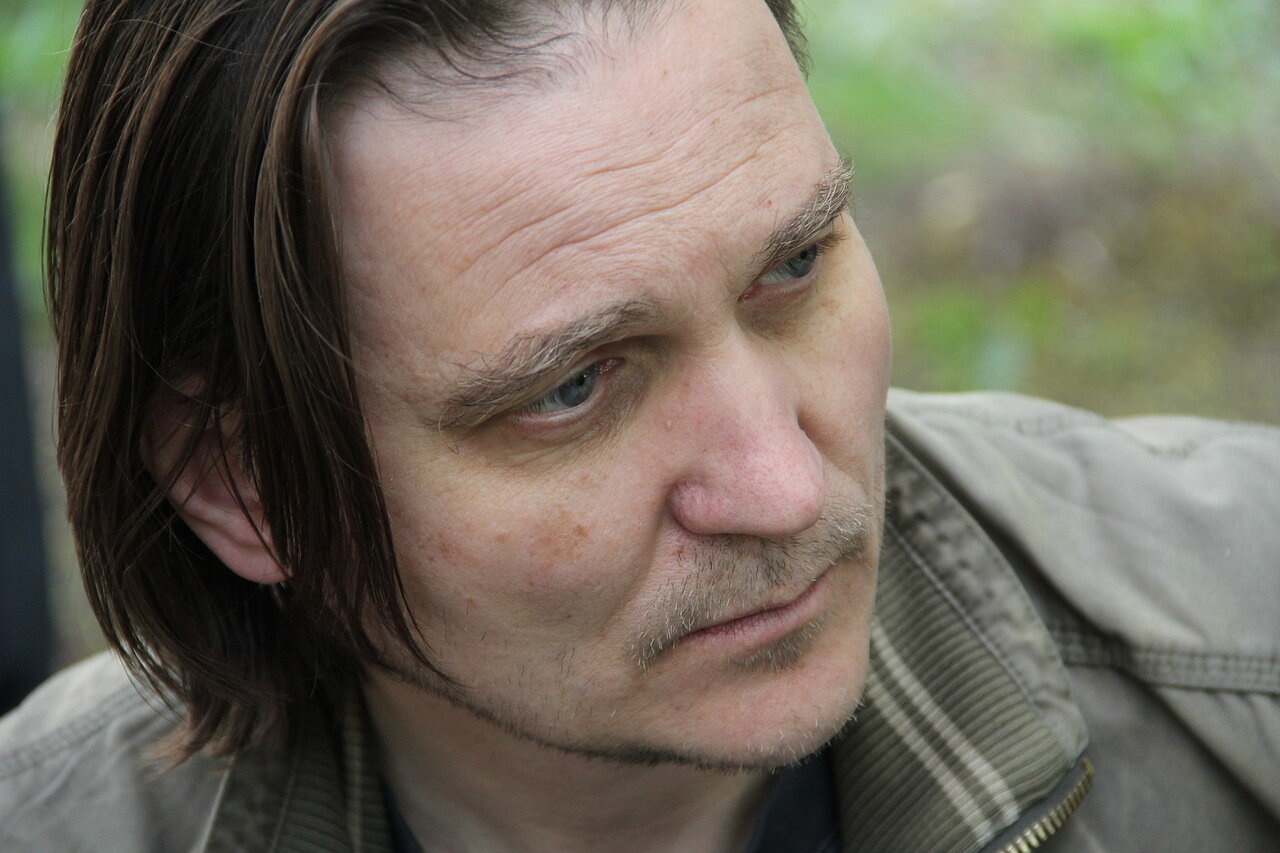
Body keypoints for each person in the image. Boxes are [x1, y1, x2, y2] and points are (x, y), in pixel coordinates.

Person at [1, 0, 1277, 850]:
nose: (783, 488)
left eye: (793, 266)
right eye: (570, 388)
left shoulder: (1242, 655)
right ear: (243, 483)